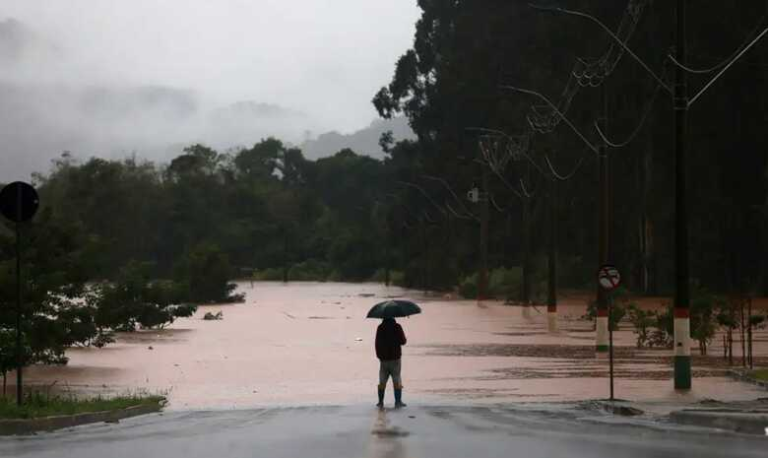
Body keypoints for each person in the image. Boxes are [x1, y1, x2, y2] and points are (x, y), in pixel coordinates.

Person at [375, 316, 407, 408]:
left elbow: (377, 343)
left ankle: (380, 402)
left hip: (384, 359)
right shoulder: (397, 327)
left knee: (382, 380)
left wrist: (379, 356)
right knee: (397, 379)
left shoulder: (380, 328)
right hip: (395, 358)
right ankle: (398, 402)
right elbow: (403, 341)